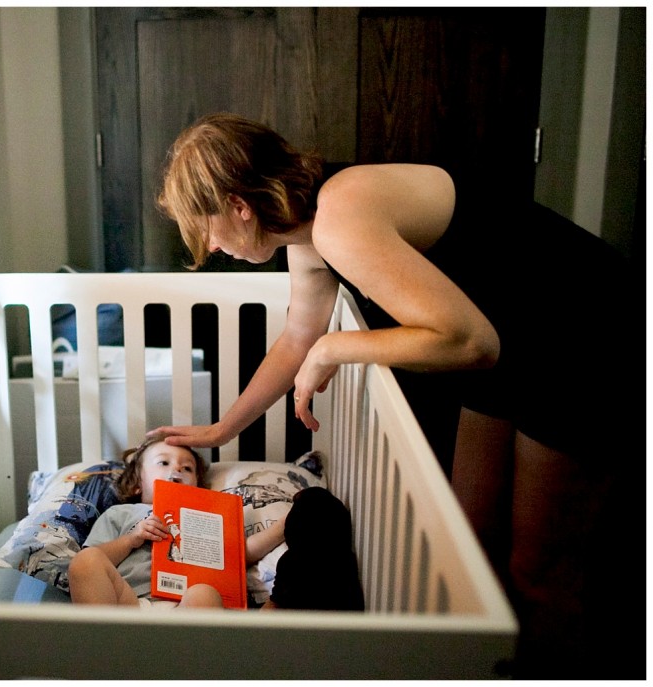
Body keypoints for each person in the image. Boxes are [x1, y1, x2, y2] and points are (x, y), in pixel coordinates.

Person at [152, 113, 641, 677]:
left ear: (240, 206)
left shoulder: (340, 217)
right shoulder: (306, 228)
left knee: (541, 567)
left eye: (206, 227)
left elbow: (468, 341)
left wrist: (338, 348)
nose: (211, 245)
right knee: (469, 541)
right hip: (512, 339)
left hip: (581, 337)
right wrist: (222, 430)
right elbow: (296, 338)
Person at [68, 432, 285, 608]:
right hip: (128, 603)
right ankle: (106, 652)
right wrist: (131, 539)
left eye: (187, 468)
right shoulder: (122, 513)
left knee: (205, 594)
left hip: (183, 608)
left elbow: (238, 554)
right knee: (85, 561)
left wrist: (282, 527)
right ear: (137, 483)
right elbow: (95, 558)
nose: (177, 469)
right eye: (163, 462)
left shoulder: (207, 517)